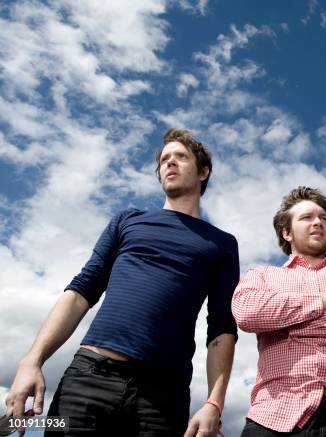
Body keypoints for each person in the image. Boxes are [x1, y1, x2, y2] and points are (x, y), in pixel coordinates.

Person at [4, 128, 239, 437]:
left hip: (162, 394)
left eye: (180, 157)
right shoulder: (128, 220)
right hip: (91, 376)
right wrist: (31, 360)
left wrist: (214, 403)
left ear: (203, 172)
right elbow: (81, 290)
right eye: (164, 160)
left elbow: (222, 326)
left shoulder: (220, 243)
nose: (170, 163)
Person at [232, 186, 326, 436]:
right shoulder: (261, 275)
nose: (318, 222)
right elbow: (248, 313)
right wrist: (323, 301)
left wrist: (285, 323)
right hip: (273, 414)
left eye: (324, 218)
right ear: (286, 232)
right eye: (307, 218)